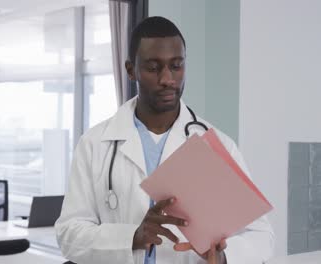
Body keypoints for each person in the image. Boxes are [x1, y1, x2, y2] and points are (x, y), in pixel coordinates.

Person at [55, 17, 274, 264]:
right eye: (153, 68)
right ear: (130, 70)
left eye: (176, 66)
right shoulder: (95, 144)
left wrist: (223, 257)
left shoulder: (217, 145)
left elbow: (261, 237)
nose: (167, 79)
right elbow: (69, 234)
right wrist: (132, 237)